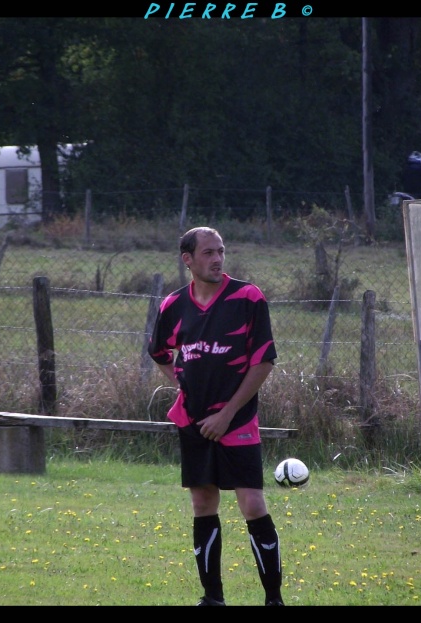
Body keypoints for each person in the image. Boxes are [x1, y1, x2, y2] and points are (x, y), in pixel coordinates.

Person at [148, 227, 284, 607]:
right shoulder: (172, 305)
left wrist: (226, 414)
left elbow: (264, 361)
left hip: (236, 421)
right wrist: (184, 384)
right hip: (193, 421)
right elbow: (160, 353)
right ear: (187, 259)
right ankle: (213, 598)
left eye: (221, 251)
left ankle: (273, 598)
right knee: (202, 504)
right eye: (208, 252)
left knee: (253, 504)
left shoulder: (247, 297)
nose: (217, 259)